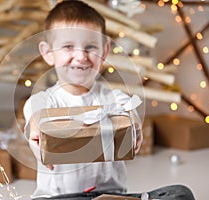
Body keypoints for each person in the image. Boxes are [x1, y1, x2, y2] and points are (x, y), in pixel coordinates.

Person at [23, 0, 143, 198]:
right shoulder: (47, 100)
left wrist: (133, 118)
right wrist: (36, 123)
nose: (80, 56)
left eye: (90, 47)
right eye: (68, 46)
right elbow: (35, 109)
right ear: (48, 53)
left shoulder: (111, 98)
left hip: (109, 194)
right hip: (58, 197)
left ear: (104, 51)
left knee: (180, 194)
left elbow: (129, 104)